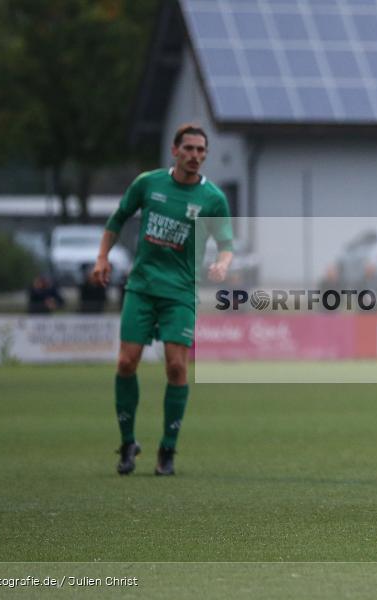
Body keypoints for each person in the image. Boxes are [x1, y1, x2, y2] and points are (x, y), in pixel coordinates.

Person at [92, 123, 233, 476]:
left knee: (176, 367)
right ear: (175, 150)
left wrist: (222, 262)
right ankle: (127, 443)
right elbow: (117, 218)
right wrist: (102, 257)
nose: (195, 156)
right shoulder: (148, 183)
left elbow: (226, 243)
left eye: (201, 151)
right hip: (141, 287)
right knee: (126, 363)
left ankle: (167, 450)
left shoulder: (213, 198)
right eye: (189, 149)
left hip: (180, 292)